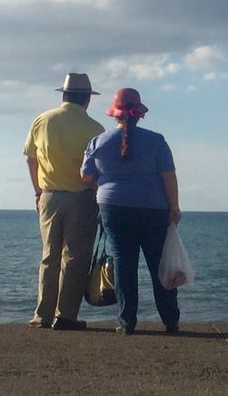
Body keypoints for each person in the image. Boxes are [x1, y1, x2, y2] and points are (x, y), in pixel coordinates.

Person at [80, 87, 183, 335]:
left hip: (114, 209)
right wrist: (175, 207)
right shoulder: (157, 141)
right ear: (139, 113)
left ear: (115, 114)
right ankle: (170, 320)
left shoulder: (98, 142)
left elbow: (85, 176)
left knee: (124, 266)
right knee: (160, 265)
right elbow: (169, 177)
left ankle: (128, 322)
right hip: (153, 209)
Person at [22, 72, 106, 330]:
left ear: (64, 95)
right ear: (87, 100)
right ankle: (66, 315)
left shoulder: (42, 120)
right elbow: (100, 170)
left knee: (49, 257)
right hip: (83, 197)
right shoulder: (96, 129)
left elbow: (31, 158)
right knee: (76, 258)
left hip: (49, 196)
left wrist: (38, 191)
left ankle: (42, 316)